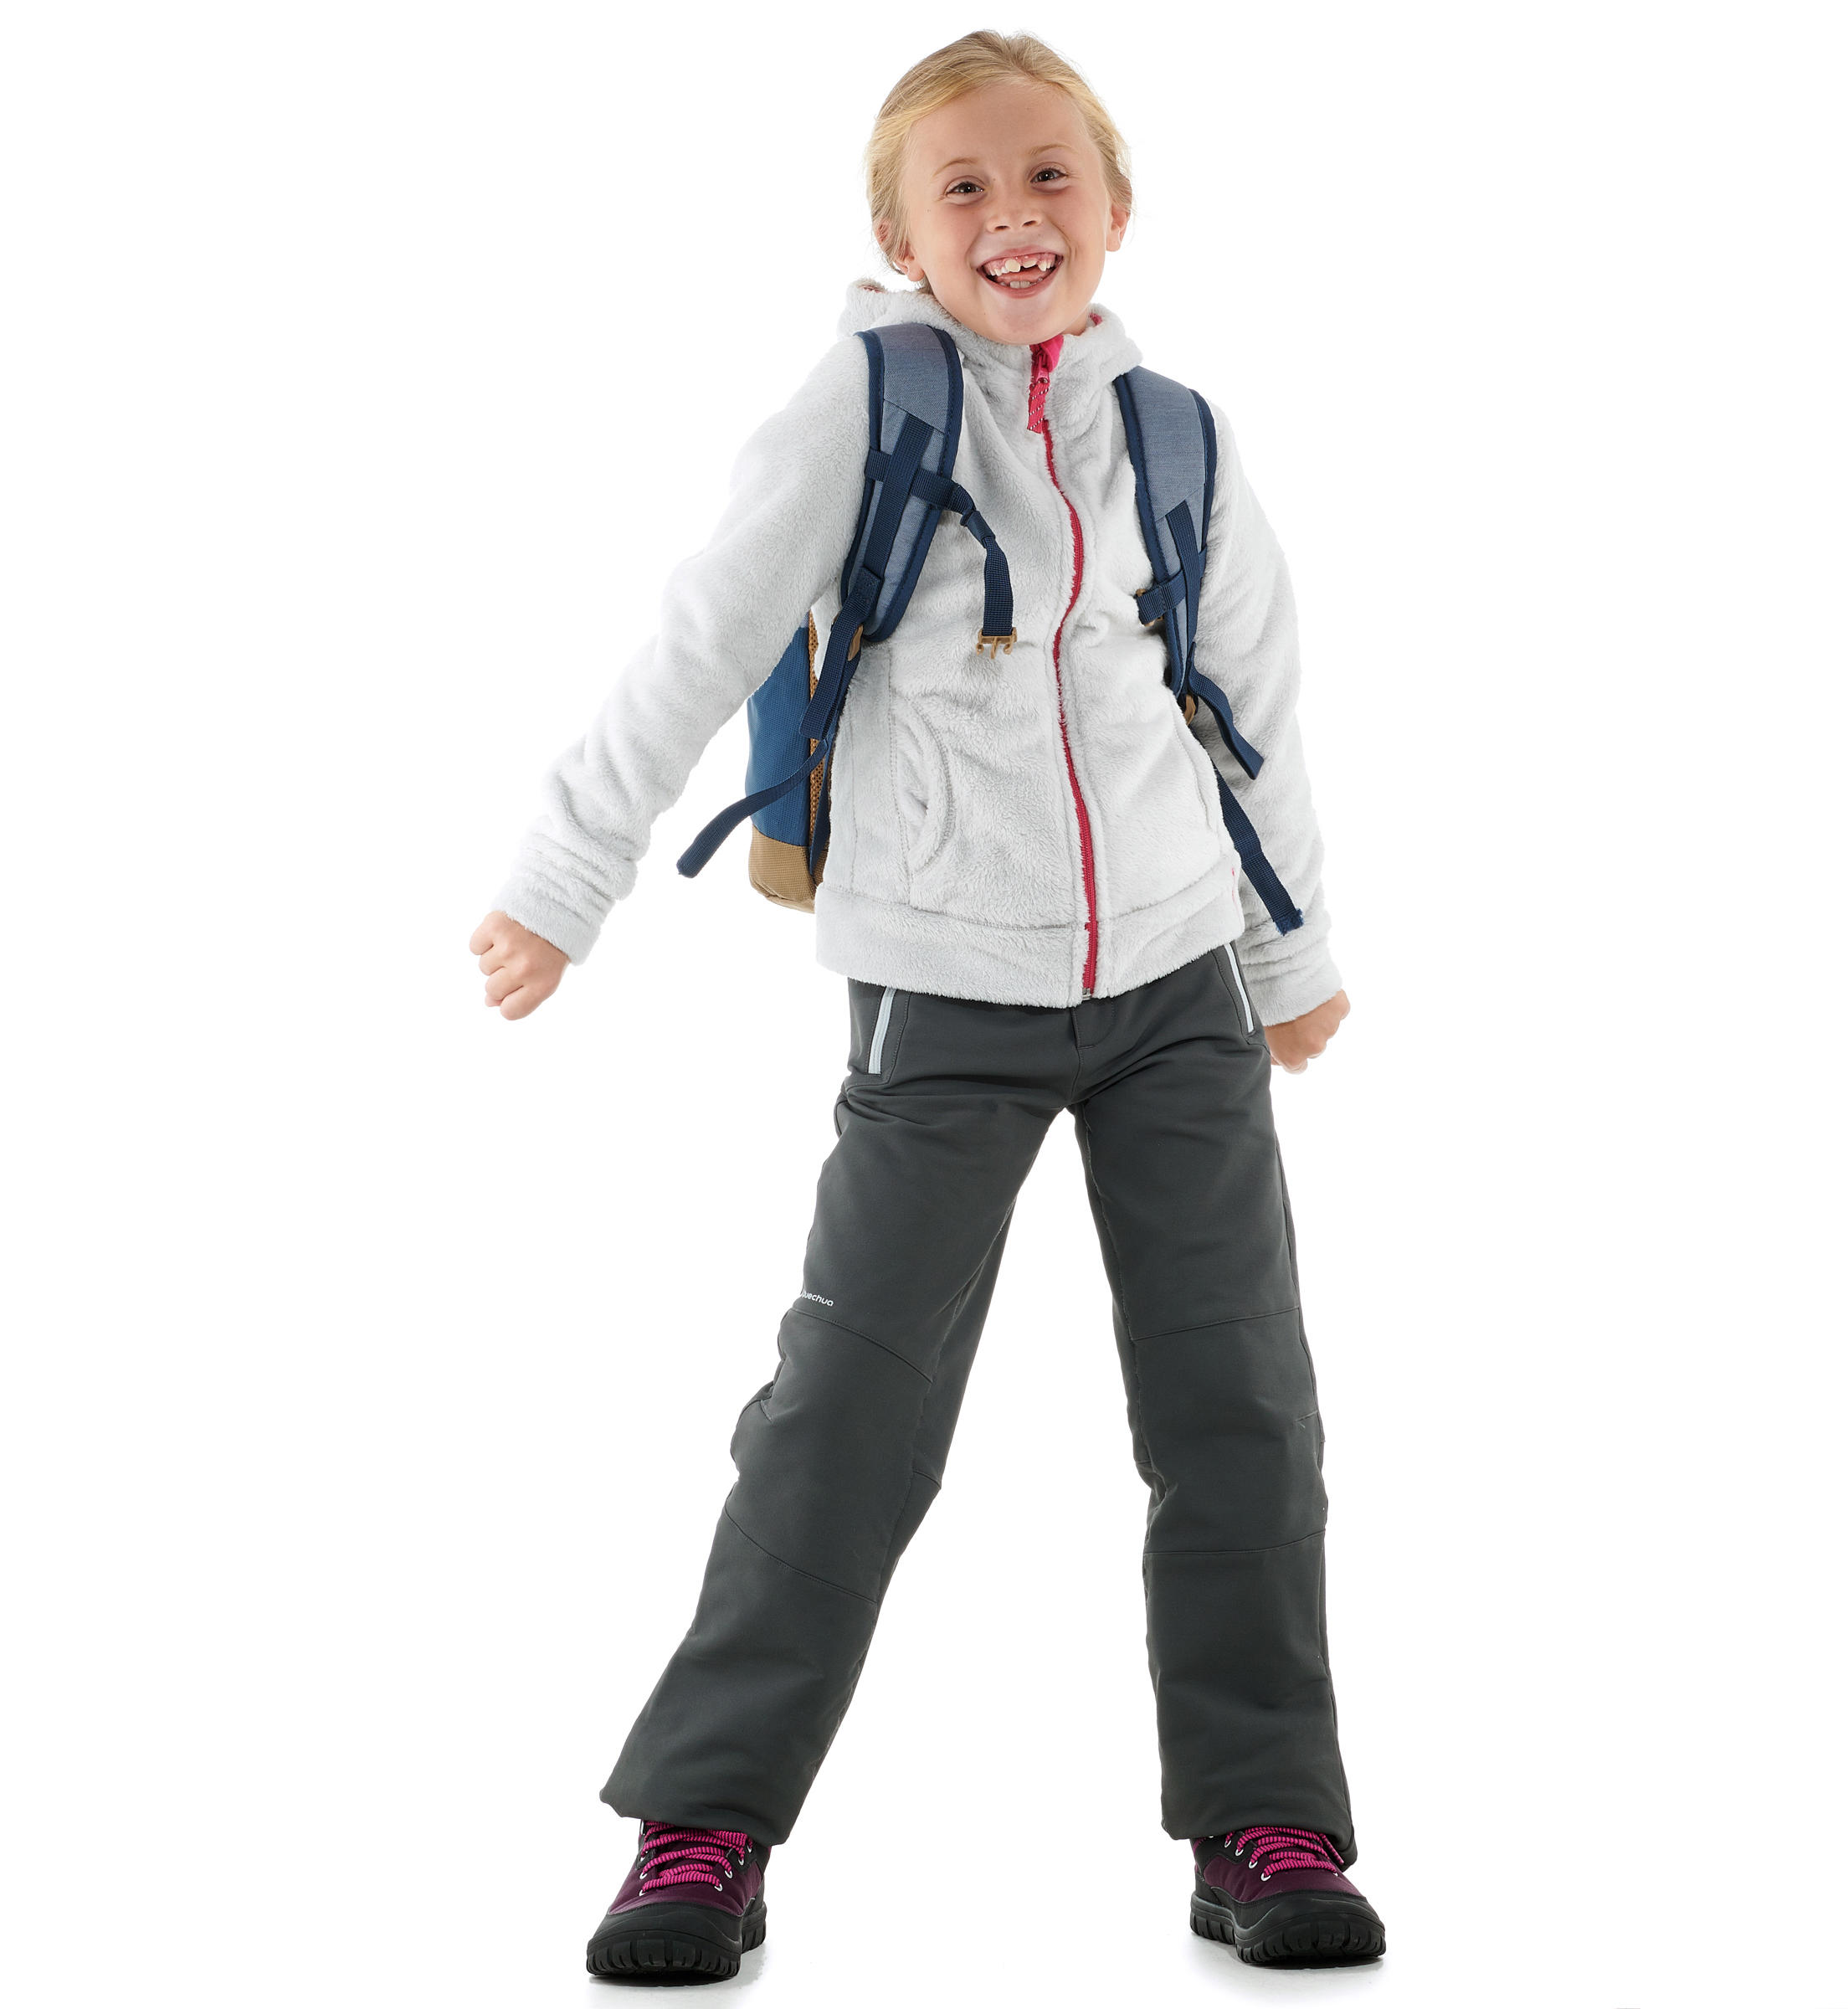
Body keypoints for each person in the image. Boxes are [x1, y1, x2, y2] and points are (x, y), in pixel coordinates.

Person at [470, 29, 1384, 1981]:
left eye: (1049, 175)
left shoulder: (1180, 437)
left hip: (1176, 992)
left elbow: (1252, 713)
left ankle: (1267, 1821)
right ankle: (705, 1826)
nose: (1011, 212)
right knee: (848, 1418)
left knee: (1242, 1409)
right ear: (898, 235)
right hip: (944, 997)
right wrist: (562, 881)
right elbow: (698, 639)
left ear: (1117, 210)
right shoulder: (862, 409)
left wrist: (1288, 959)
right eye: (961, 186)